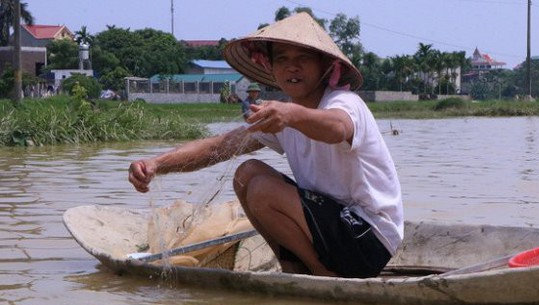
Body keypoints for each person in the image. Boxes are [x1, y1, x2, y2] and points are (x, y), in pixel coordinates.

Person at [128, 12, 403, 278]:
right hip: (333, 231)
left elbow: (337, 128)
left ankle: (321, 273)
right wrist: (156, 165)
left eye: (303, 59)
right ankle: (293, 266)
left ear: (325, 66)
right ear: (271, 67)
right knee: (246, 174)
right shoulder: (284, 115)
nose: (291, 67)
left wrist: (291, 116)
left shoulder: (343, 103)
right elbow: (218, 147)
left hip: (369, 239)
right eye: (282, 59)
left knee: (263, 189)